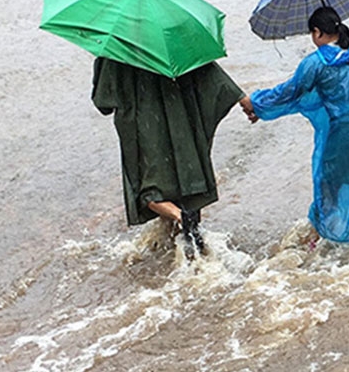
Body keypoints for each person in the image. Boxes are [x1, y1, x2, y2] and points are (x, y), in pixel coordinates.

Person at [242, 7, 349, 244]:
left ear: (317, 32)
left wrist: (256, 104)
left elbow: (290, 93)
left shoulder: (316, 63)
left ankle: (319, 241)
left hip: (348, 135)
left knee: (328, 185)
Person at [92, 57, 254, 257]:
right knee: (185, 182)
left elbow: (103, 103)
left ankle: (179, 218)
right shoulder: (173, 37)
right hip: (180, 120)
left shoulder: (115, 51)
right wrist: (243, 99)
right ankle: (190, 242)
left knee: (148, 191)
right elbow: (207, 71)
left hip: (142, 128)